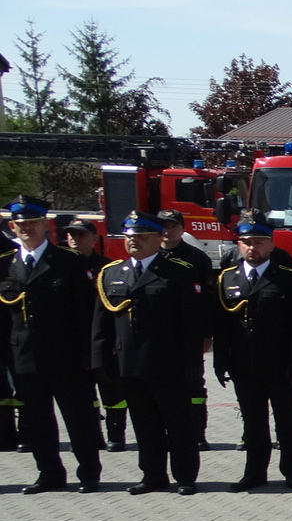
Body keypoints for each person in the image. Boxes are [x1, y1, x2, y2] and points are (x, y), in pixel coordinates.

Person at [91, 212, 211, 494]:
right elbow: (102, 322)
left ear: (158, 238)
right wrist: (100, 360)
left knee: (178, 423)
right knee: (144, 424)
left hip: (168, 363)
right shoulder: (112, 273)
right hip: (128, 364)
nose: (134, 241)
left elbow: (191, 322)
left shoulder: (179, 272)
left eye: (142, 236)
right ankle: (152, 475)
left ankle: (185, 476)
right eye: (130, 236)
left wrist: (193, 361)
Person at [2, 196, 103, 492]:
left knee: (79, 419)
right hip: (23, 356)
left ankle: (89, 473)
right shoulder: (5, 264)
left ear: (46, 225)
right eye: (21, 224)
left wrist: (89, 355)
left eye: (33, 223)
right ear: (12, 227)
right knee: (37, 421)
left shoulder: (69, 262)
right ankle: (49, 474)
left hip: (66, 356)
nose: (27, 228)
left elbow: (86, 313)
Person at [211, 211, 292, 490]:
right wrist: (220, 360)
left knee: (287, 420)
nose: (253, 247)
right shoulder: (227, 278)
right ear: (239, 245)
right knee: (253, 422)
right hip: (243, 363)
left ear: (271, 244)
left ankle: (291, 471)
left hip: (279, 362)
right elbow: (222, 325)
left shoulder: (287, 278)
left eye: (259, 242)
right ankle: (254, 473)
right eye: (247, 242)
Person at [63, 220, 127, 451]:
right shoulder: (61, 265)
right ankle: (91, 436)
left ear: (93, 238)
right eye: (71, 235)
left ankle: (116, 435)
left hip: (102, 338)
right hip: (74, 339)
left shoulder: (107, 268)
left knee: (112, 388)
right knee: (82, 392)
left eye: (80, 234)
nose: (74, 239)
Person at [154, 209, 215, 450]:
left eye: (173, 226)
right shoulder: (150, 255)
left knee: (193, 383)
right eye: (164, 226)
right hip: (159, 335)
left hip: (189, 333)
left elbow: (207, 299)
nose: (168, 231)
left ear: (182, 229)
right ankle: (167, 433)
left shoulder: (196, 258)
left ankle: (198, 433)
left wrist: (206, 333)